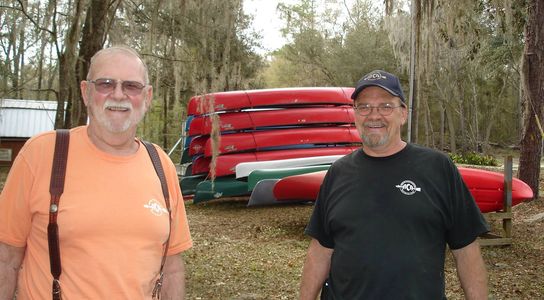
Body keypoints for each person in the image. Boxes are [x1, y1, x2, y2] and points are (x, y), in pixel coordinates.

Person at [0, 46, 192, 299]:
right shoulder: (41, 154)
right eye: (106, 84)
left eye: (131, 86)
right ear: (86, 92)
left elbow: (172, 267)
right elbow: (6, 260)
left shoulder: (160, 165)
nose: (119, 94)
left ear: (147, 97)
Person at [299, 70, 489, 299]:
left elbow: (466, 249)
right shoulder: (338, 173)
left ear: (403, 114)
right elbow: (320, 251)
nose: (374, 115)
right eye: (364, 107)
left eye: (386, 106)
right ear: (355, 114)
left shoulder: (438, 167)